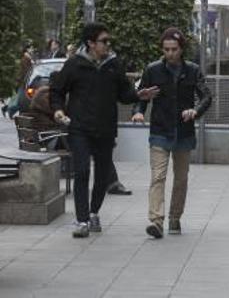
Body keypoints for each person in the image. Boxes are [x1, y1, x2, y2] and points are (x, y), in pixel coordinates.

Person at [50, 22, 159, 238]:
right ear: (90, 43)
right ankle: (81, 221)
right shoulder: (75, 65)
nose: (108, 45)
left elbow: (124, 94)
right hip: (79, 127)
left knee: (102, 176)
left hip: (105, 129)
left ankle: (93, 212)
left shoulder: (113, 65)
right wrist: (58, 110)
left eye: (109, 41)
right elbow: (57, 90)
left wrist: (139, 95)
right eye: (103, 41)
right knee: (81, 172)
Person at [132, 28, 212, 239]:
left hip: (184, 131)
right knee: (158, 176)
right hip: (160, 129)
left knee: (181, 179)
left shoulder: (193, 70)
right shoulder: (153, 70)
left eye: (174, 49)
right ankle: (156, 221)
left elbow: (206, 96)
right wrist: (139, 111)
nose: (170, 54)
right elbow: (141, 96)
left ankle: (175, 216)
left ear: (181, 49)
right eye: (166, 49)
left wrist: (195, 111)